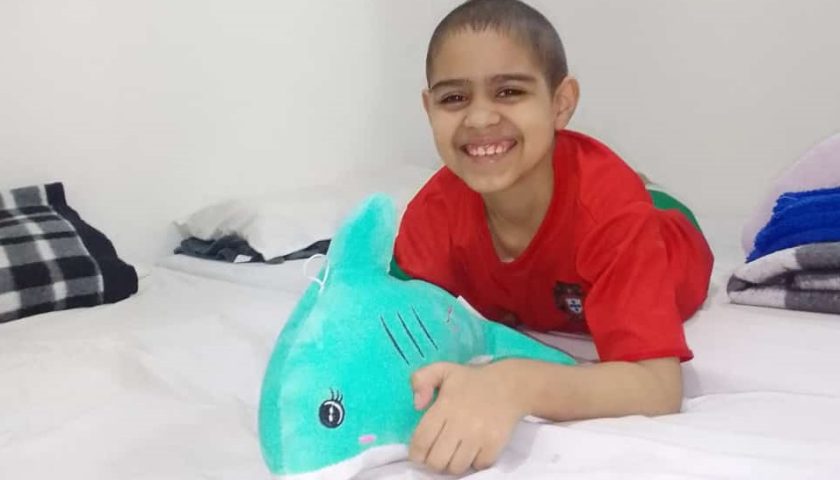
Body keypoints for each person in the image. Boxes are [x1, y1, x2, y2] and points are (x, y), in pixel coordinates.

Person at [390, 0, 714, 475]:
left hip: (666, 232)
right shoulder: (434, 210)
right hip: (588, 219)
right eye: (454, 98)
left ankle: (644, 187)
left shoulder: (609, 213)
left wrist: (514, 384)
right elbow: (387, 319)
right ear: (428, 108)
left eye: (509, 91)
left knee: (628, 198)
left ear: (561, 103)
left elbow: (658, 387)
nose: (479, 118)